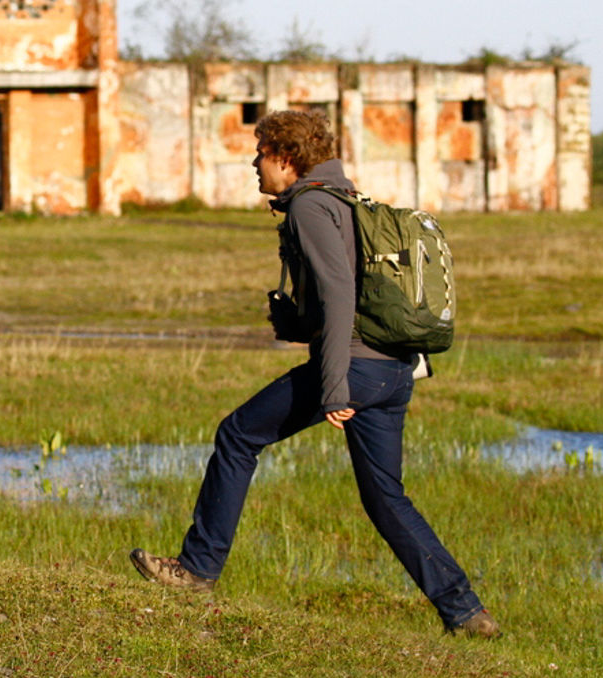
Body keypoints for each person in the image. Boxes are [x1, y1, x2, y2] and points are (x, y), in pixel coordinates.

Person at [129, 109, 500, 639]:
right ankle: (466, 613)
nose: (254, 163)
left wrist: (333, 388)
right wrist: (298, 325)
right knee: (386, 499)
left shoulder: (309, 206)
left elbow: (339, 291)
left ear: (285, 158)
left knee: (237, 435)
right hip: (392, 371)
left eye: (260, 154)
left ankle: (196, 569)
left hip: (356, 370)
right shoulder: (343, 198)